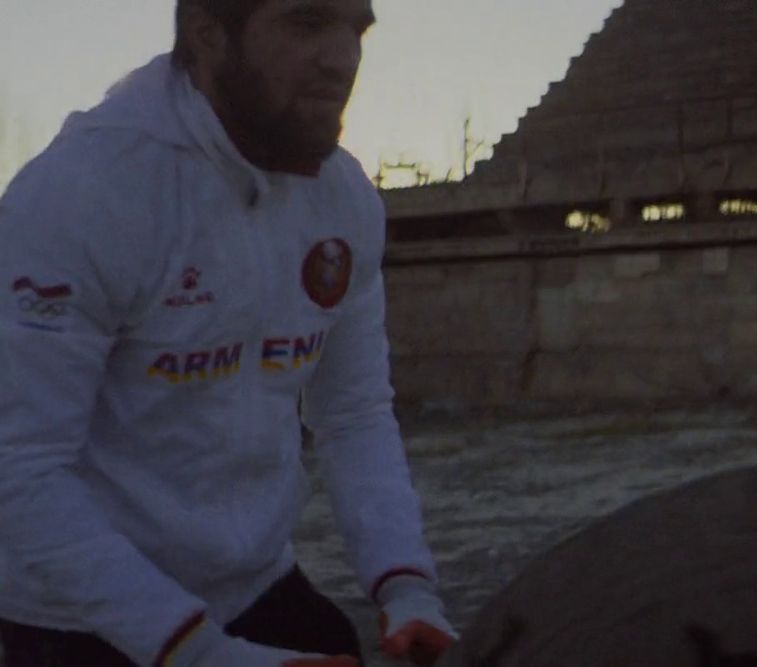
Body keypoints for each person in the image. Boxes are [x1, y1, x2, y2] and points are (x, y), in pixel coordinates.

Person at [0, 0, 457, 665]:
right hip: (75, 610)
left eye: (354, 29)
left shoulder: (343, 198)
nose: (343, 57)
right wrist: (200, 651)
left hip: (252, 585)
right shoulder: (83, 195)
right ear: (209, 34)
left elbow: (354, 414)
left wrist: (406, 581)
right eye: (307, 22)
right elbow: (19, 466)